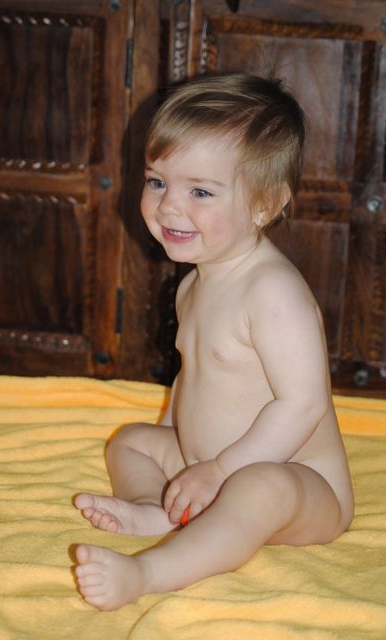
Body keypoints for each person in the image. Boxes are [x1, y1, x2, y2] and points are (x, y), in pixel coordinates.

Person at [74, 72, 354, 611]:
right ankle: (154, 509)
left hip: (298, 484)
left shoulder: (273, 293)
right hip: (207, 464)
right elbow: (193, 374)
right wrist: (175, 440)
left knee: (259, 488)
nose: (169, 207)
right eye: (157, 182)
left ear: (264, 205)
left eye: (200, 192)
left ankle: (149, 572)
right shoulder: (194, 285)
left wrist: (223, 471)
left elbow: (304, 404)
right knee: (130, 441)